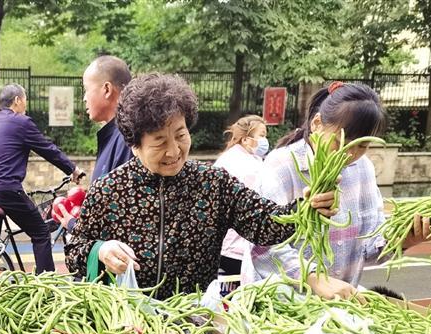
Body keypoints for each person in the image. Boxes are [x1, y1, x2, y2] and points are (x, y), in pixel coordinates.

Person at [64, 73, 339, 300]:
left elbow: (266, 224)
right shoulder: (109, 190)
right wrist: (99, 250)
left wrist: (306, 209)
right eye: (159, 142)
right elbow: (75, 249)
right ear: (135, 144)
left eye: (181, 135)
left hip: (194, 323)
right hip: (128, 329)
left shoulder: (213, 183)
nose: (174, 150)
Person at [242, 82, 431, 299]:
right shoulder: (283, 166)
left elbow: (369, 246)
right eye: (343, 142)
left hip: (338, 305)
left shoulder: (363, 169)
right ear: (316, 124)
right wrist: (313, 278)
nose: (350, 154)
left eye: (362, 145)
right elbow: (262, 247)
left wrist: (404, 239)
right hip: (281, 303)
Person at [0, 83, 84, 273]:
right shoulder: (21, 122)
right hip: (6, 190)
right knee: (40, 232)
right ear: (17, 100)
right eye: (25, 100)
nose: (26, 105)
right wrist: (72, 170)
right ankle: (47, 287)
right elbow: (48, 149)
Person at [57, 55, 133, 233]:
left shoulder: (126, 138)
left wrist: (72, 225)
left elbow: (118, 218)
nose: (84, 98)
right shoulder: (115, 133)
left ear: (107, 89)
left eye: (86, 90)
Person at [213, 115, 269, 276]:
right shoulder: (249, 166)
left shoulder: (228, 157)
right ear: (246, 140)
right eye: (262, 135)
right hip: (237, 246)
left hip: (224, 244)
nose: (265, 140)